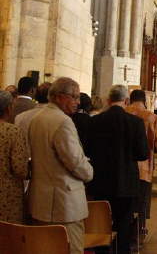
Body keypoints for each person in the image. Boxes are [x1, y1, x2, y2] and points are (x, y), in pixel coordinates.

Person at [27, 77, 93, 254]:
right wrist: (89, 172)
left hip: (41, 201)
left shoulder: (37, 117)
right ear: (58, 96)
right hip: (64, 204)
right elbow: (76, 162)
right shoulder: (62, 122)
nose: (78, 102)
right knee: (70, 249)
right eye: (74, 97)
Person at [87, 85, 148, 254]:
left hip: (100, 180)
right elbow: (143, 154)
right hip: (126, 182)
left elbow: (87, 150)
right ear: (126, 101)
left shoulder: (95, 121)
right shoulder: (135, 123)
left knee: (101, 224)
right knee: (123, 225)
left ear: (108, 100)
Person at [125, 89, 157, 243]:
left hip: (124, 165)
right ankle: (139, 233)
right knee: (141, 200)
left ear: (130, 99)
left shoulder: (122, 114)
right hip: (144, 167)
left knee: (125, 201)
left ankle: (123, 233)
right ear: (144, 100)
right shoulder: (152, 117)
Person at [0, 91, 29, 224]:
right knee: (8, 237)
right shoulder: (13, 132)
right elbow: (19, 169)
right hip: (7, 195)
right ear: (8, 108)